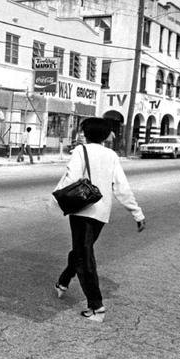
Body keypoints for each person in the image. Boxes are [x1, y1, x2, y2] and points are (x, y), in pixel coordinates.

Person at [53, 117, 145, 323]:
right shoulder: (112, 155)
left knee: (84, 256)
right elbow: (121, 187)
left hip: (82, 210)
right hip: (101, 213)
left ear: (86, 134)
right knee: (82, 251)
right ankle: (63, 281)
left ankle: (96, 307)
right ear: (104, 135)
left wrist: (57, 199)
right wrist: (136, 213)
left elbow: (71, 177)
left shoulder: (80, 151)